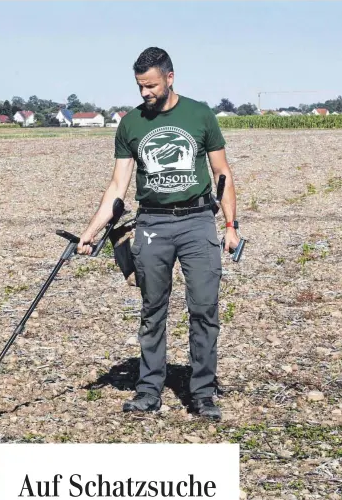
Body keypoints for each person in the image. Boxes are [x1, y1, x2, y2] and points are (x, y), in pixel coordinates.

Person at [77, 47, 239, 421]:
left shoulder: (200, 115)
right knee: (152, 310)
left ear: (170, 77)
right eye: (139, 86)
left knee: (204, 309)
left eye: (150, 85)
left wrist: (231, 227)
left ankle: (202, 392)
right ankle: (149, 390)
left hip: (198, 221)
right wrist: (90, 232)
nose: (145, 93)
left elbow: (222, 173)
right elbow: (118, 185)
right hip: (152, 223)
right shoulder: (131, 124)